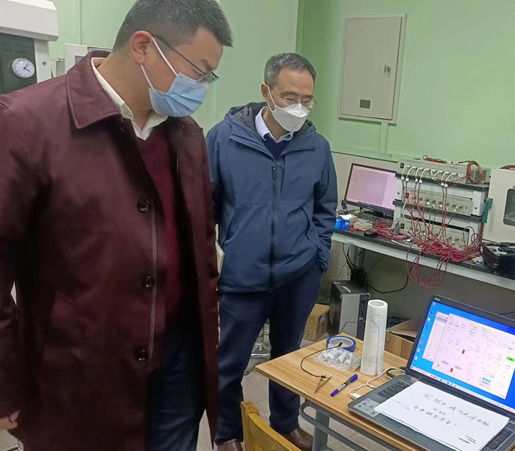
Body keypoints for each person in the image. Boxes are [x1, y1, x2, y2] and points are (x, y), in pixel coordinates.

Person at [0, 1, 232, 449]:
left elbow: (201, 250)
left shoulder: (187, 135)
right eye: (198, 72)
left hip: (177, 364)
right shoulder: (27, 123)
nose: (201, 87)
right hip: (80, 370)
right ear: (143, 46)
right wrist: (4, 380)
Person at [207, 53, 337, 451]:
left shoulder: (317, 147)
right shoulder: (224, 139)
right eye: (289, 97)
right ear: (266, 91)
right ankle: (228, 433)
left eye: (307, 99)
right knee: (229, 363)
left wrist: (317, 257)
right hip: (241, 276)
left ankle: (286, 423)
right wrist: (217, 263)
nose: (299, 107)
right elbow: (205, 207)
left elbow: (325, 208)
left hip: (296, 275)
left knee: (289, 359)